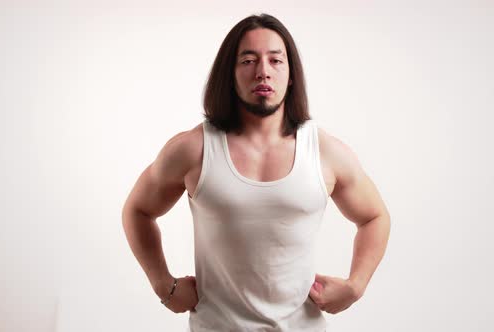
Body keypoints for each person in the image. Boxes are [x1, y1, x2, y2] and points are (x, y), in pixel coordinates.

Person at [122, 13, 391, 332]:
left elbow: (375, 217)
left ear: (291, 74)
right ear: (230, 74)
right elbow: (138, 210)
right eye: (248, 61)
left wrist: (356, 285)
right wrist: (163, 286)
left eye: (276, 61)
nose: (263, 72)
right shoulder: (193, 149)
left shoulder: (324, 151)